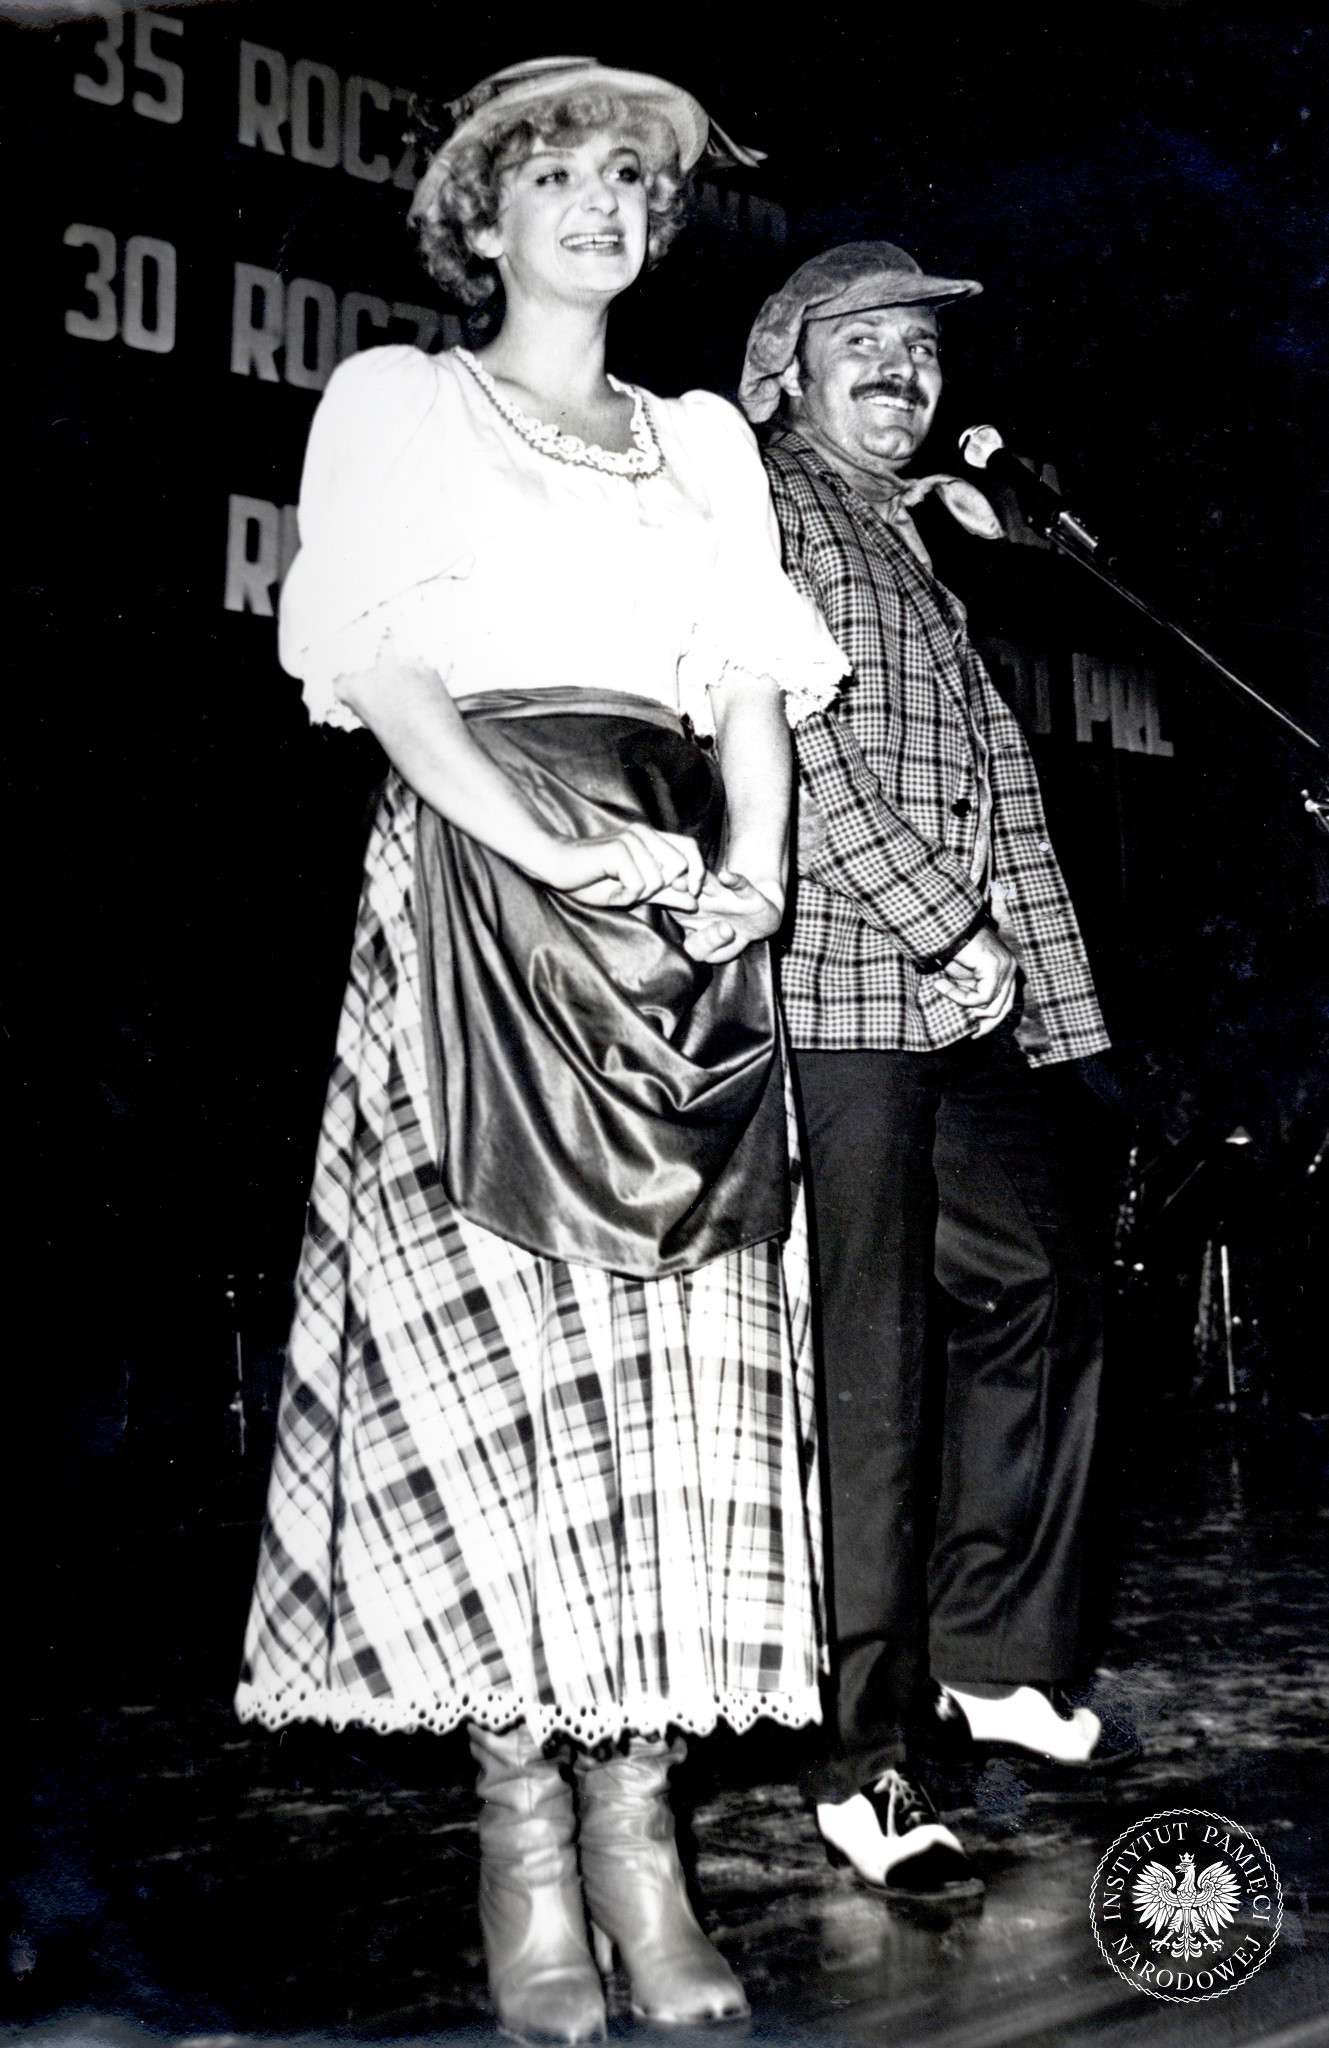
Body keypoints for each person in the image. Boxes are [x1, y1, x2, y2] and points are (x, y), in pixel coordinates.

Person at [235, 59, 847, 2042]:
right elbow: (383, 662)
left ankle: (637, 1832)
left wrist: (751, 870)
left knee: (671, 1385)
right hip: (488, 893)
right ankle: (524, 1842)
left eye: (630, 184)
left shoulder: (702, 445)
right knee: (500, 1378)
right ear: (480, 214)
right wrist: (542, 844)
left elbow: (745, 683)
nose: (600, 206)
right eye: (559, 175)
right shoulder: (398, 405)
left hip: (674, 925)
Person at [739, 241, 1121, 1900]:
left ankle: (987, 1654)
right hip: (839, 982)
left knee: (1036, 1272)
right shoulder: (765, 504)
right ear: (785, 366)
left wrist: (1053, 1007)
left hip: (960, 995)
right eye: (867, 342)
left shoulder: (909, 535)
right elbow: (793, 746)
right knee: (870, 1369)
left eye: (922, 349)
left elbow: (986, 786)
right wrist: (939, 921)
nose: (903, 370)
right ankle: (861, 1758)